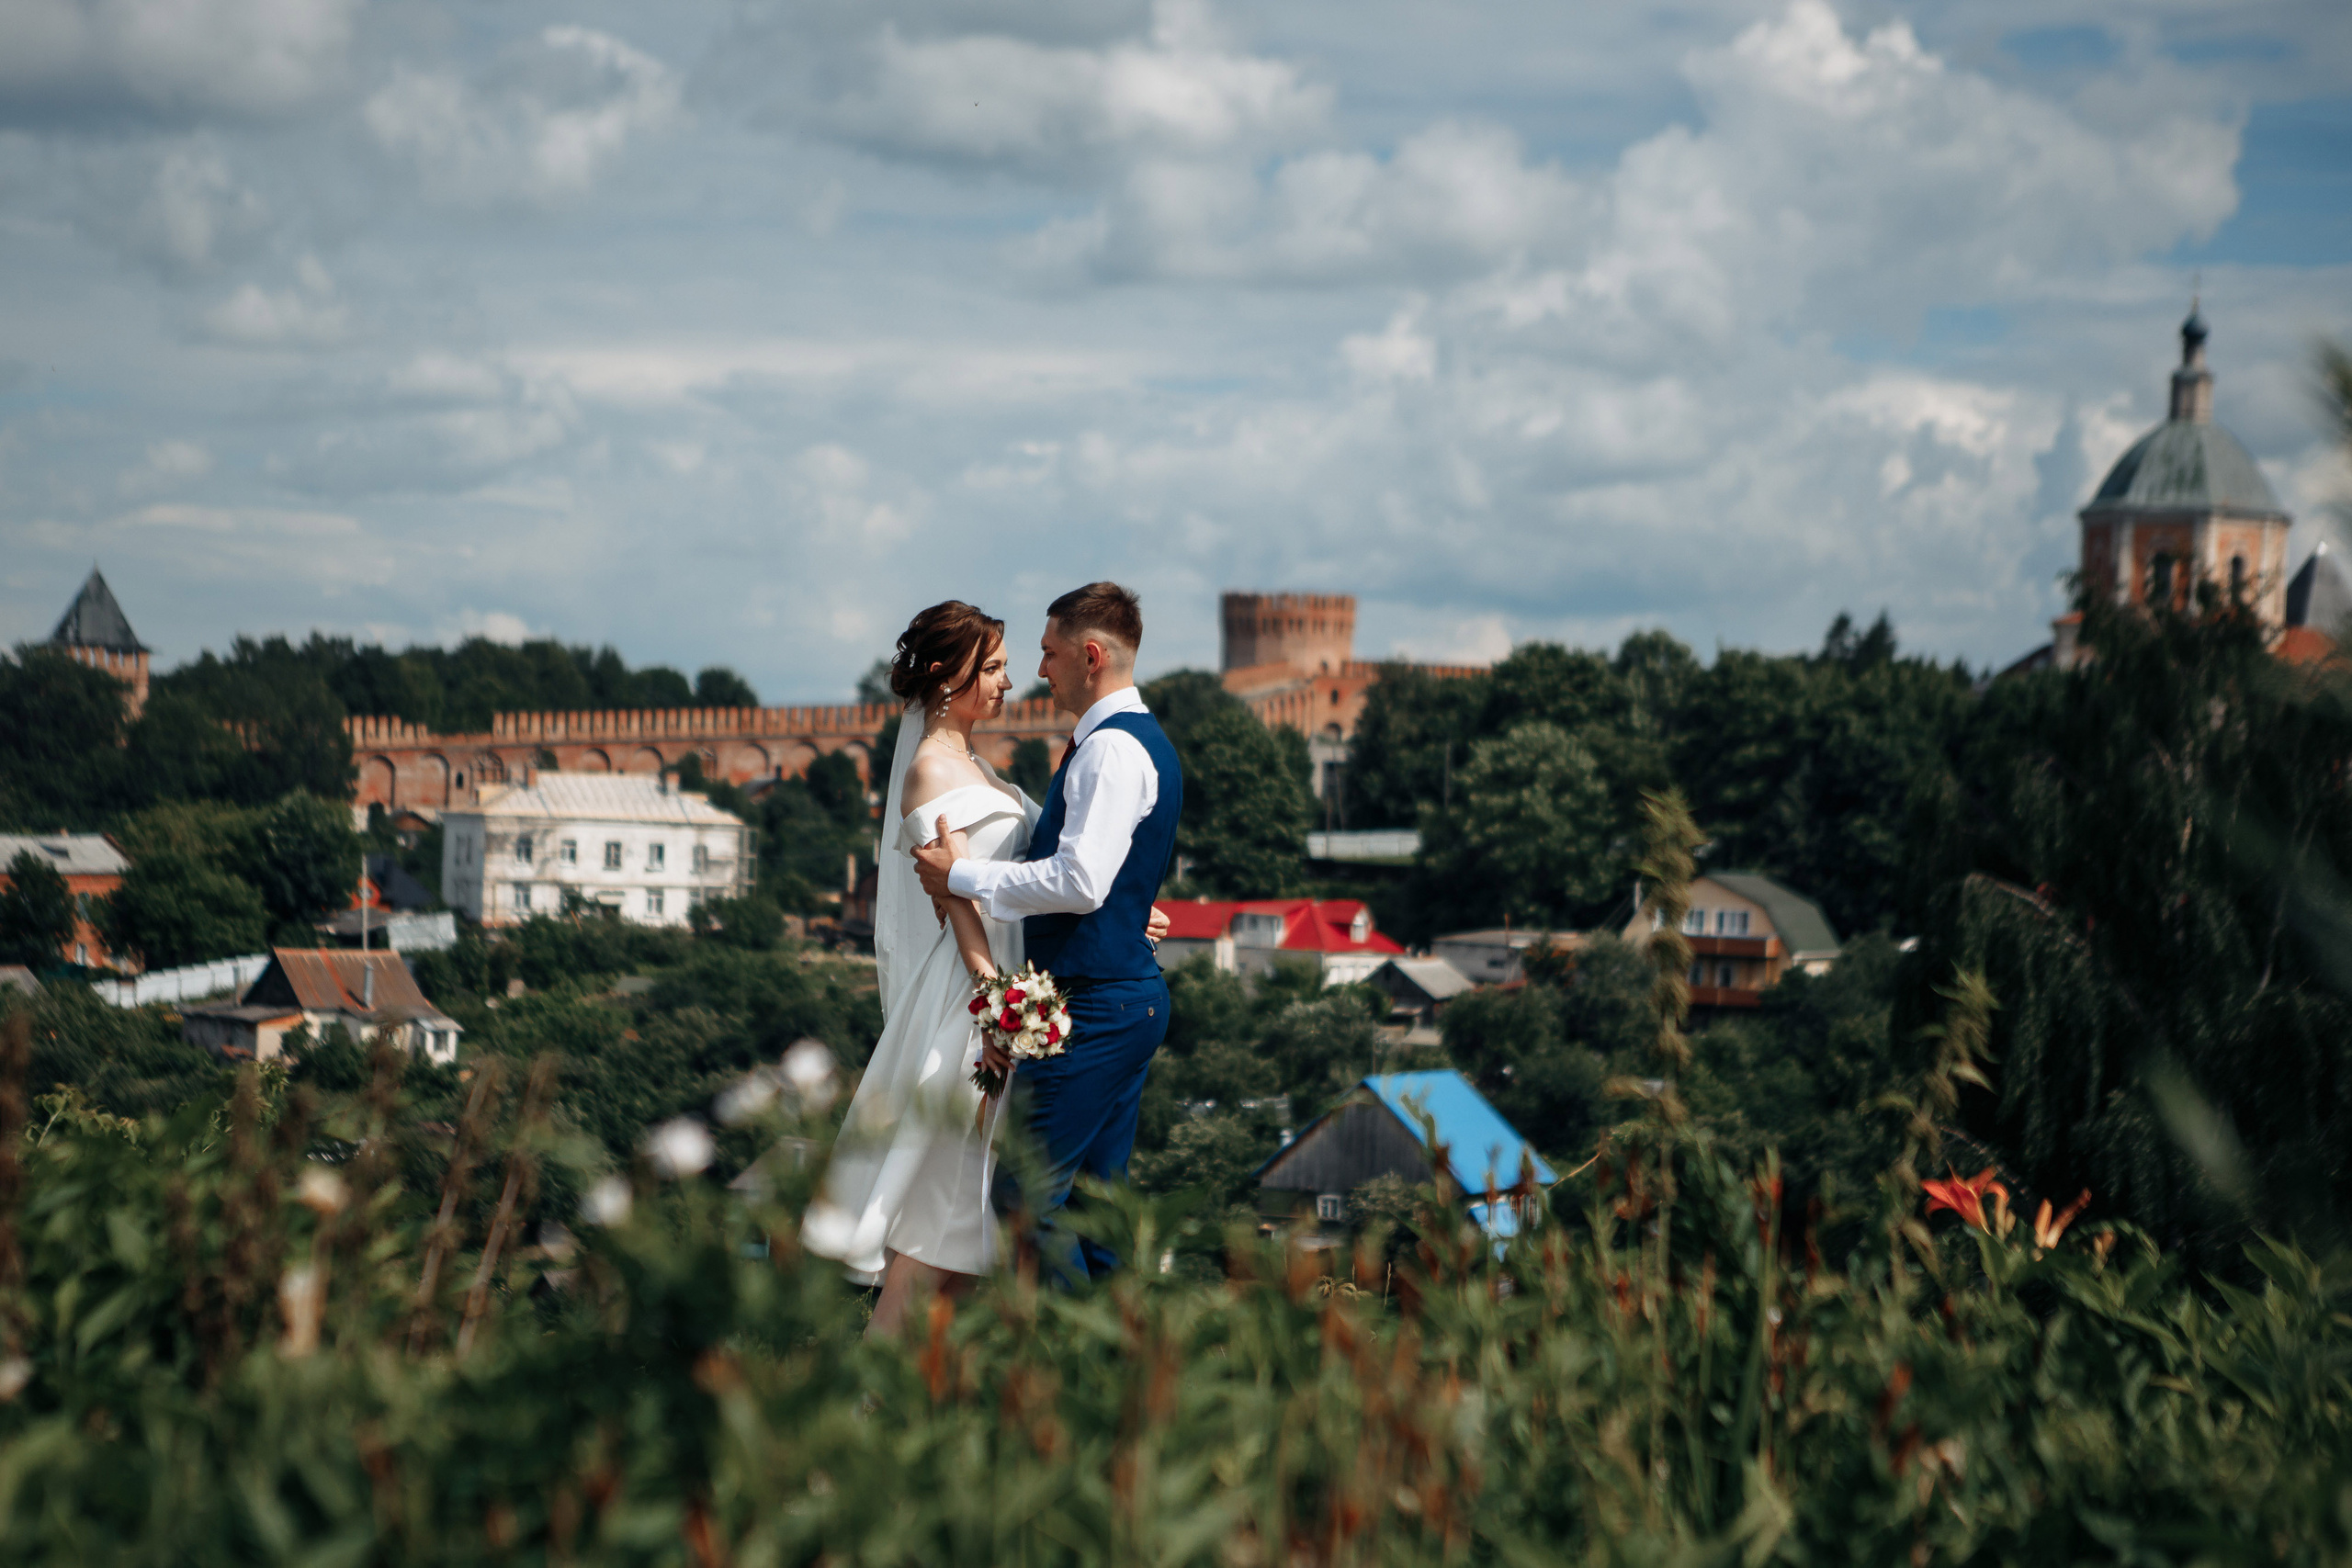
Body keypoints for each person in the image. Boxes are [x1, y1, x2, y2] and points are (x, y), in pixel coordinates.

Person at [802, 599, 1169, 1337]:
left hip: (1019, 988)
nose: (1010, 682)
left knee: (972, 1223)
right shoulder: (932, 773)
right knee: (945, 1208)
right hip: (980, 997)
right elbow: (955, 905)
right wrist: (996, 1005)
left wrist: (1123, 912)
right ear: (946, 676)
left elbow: (1056, 867)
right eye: (994, 667)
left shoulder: (980, 768)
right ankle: (872, 1389)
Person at [914, 581, 1182, 1286]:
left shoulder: (1108, 752)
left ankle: (1073, 1371)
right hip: (1119, 996)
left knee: (1024, 1200)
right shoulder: (1134, 742)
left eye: (1049, 652)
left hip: (1097, 1004)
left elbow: (1080, 881)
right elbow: (1104, 885)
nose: (1040, 671)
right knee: (1098, 1207)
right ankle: (1117, 1369)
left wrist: (962, 877)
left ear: (1090, 655)